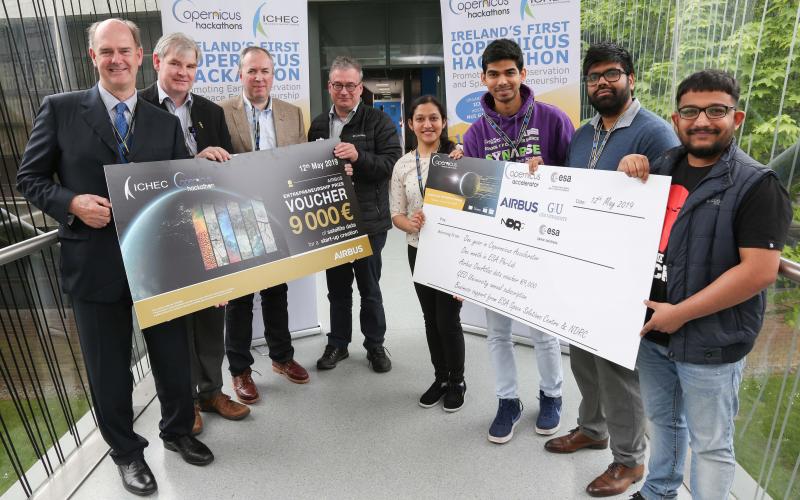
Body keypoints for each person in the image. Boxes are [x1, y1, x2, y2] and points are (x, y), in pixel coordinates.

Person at [16, 18, 213, 496]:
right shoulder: (60, 110)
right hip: (95, 263)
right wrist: (72, 204)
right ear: (93, 58)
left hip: (157, 262)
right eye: (107, 52)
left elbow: (177, 195)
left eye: (124, 50)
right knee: (108, 368)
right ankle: (126, 452)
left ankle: (178, 430)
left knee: (172, 356)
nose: (117, 59)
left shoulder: (163, 123)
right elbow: (30, 179)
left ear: (140, 56)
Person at [626, 70, 791, 500]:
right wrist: (629, 170)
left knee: (713, 445)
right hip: (652, 332)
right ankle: (659, 489)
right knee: (663, 422)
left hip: (711, 341)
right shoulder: (662, 167)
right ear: (675, 118)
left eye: (716, 110)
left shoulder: (757, 184)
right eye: (691, 111)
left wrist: (677, 314)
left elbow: (758, 272)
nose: (702, 120)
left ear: (736, 118)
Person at [543, 42, 679, 497]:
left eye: (612, 74)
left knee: (618, 370)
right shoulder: (583, 134)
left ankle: (629, 461)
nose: (602, 82)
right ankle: (592, 428)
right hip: (582, 266)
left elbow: (680, 200)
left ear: (631, 79)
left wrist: (648, 176)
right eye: (594, 76)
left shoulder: (656, 134)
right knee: (582, 356)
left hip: (626, 274)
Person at [461, 38, 573, 443]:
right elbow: (469, 197)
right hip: (496, 248)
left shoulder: (553, 120)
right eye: (494, 74)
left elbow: (576, 182)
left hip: (542, 244)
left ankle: (552, 395)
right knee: (498, 334)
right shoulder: (475, 133)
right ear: (483, 79)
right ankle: (508, 400)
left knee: (543, 331)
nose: (503, 81)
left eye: (510, 72)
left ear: (523, 74)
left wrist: (550, 176)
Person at [140, 32, 249, 435]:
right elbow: (140, 171)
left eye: (190, 66)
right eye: (176, 65)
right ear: (156, 62)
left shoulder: (209, 111)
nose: (184, 73)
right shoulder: (139, 107)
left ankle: (211, 391)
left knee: (209, 313)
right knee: (174, 320)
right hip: (162, 231)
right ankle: (183, 400)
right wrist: (193, 161)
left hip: (206, 227)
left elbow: (221, 173)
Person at [219, 46, 310, 405]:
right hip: (236, 215)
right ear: (240, 74)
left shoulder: (292, 114)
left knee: (276, 291)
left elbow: (301, 160)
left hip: (277, 214)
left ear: (274, 75)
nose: (259, 78)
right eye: (252, 71)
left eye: (265, 72)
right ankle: (239, 370)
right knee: (240, 297)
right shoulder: (221, 112)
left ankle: (281, 357)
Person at [308, 56, 402, 372]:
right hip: (332, 221)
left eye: (350, 85)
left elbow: (392, 164)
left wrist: (359, 157)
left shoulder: (378, 122)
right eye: (338, 85)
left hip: (369, 221)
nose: (344, 91)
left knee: (369, 288)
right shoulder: (319, 124)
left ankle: (375, 346)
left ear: (360, 87)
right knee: (337, 289)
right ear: (329, 86)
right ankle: (338, 344)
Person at [389, 95, 466, 411]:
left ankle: (457, 380)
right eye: (420, 118)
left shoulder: (460, 158)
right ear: (410, 124)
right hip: (418, 250)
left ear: (444, 122)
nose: (427, 124)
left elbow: (476, 208)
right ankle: (440, 378)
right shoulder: (403, 165)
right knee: (430, 318)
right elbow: (396, 213)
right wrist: (410, 224)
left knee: (448, 320)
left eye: (434, 118)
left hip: (451, 252)